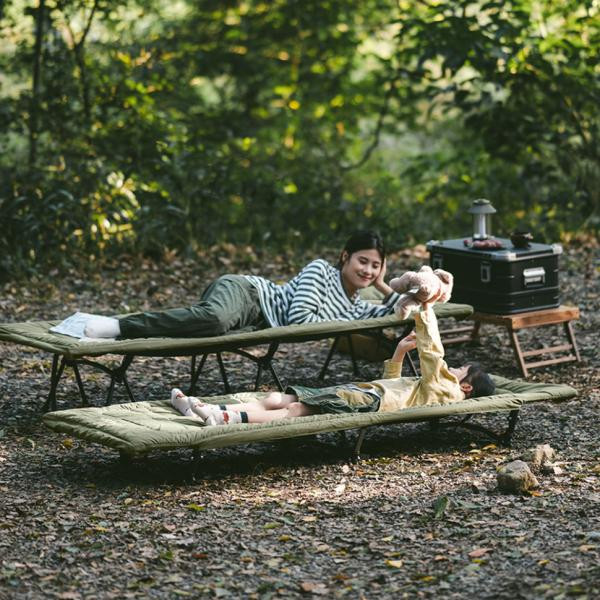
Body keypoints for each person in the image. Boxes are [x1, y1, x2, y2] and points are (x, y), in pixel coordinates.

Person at [170, 294, 496, 425]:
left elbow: (433, 354)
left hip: (367, 402)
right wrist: (398, 353)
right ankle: (206, 408)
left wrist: (426, 311)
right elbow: (393, 383)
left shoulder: (447, 391)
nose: (452, 368)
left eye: (459, 369)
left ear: (466, 387)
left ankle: (224, 418)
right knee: (277, 398)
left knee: (296, 411)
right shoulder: (437, 386)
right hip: (365, 391)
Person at [82, 230, 400, 339]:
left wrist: (384, 285)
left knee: (212, 328)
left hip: (256, 322)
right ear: (345, 257)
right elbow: (300, 320)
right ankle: (120, 325)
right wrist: (345, 323)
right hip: (248, 294)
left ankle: (127, 326)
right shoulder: (320, 270)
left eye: (375, 265)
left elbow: (398, 311)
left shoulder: (356, 306)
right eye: (362, 261)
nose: (367, 270)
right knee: (213, 319)